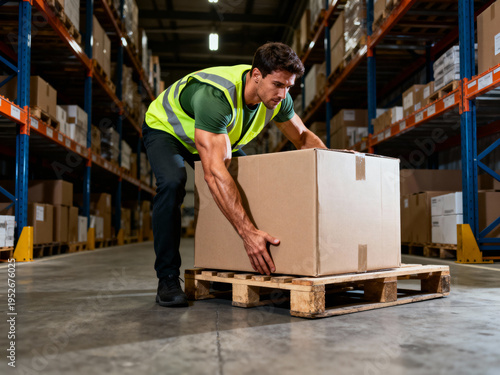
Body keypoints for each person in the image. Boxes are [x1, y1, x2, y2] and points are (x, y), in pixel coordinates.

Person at [142, 42, 326, 307]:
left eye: (289, 86)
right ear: (256, 76)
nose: (283, 93)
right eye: (278, 84)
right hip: (168, 131)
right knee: (173, 183)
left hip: (211, 135)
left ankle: (228, 267)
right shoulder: (216, 97)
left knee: (249, 186)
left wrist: (334, 166)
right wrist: (247, 233)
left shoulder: (278, 98)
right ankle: (167, 277)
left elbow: (303, 138)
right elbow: (214, 175)